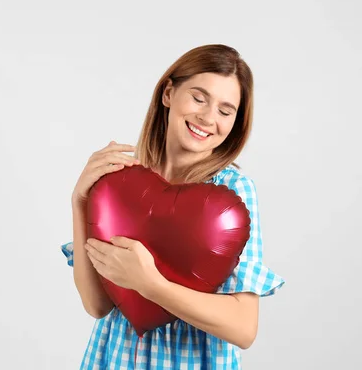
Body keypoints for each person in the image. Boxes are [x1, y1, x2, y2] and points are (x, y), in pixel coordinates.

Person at [61, 44, 285, 369]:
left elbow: (243, 328)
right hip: (114, 359)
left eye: (225, 111)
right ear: (169, 93)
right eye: (198, 97)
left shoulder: (232, 192)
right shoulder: (119, 181)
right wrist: (79, 202)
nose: (208, 118)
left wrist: (151, 285)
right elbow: (97, 306)